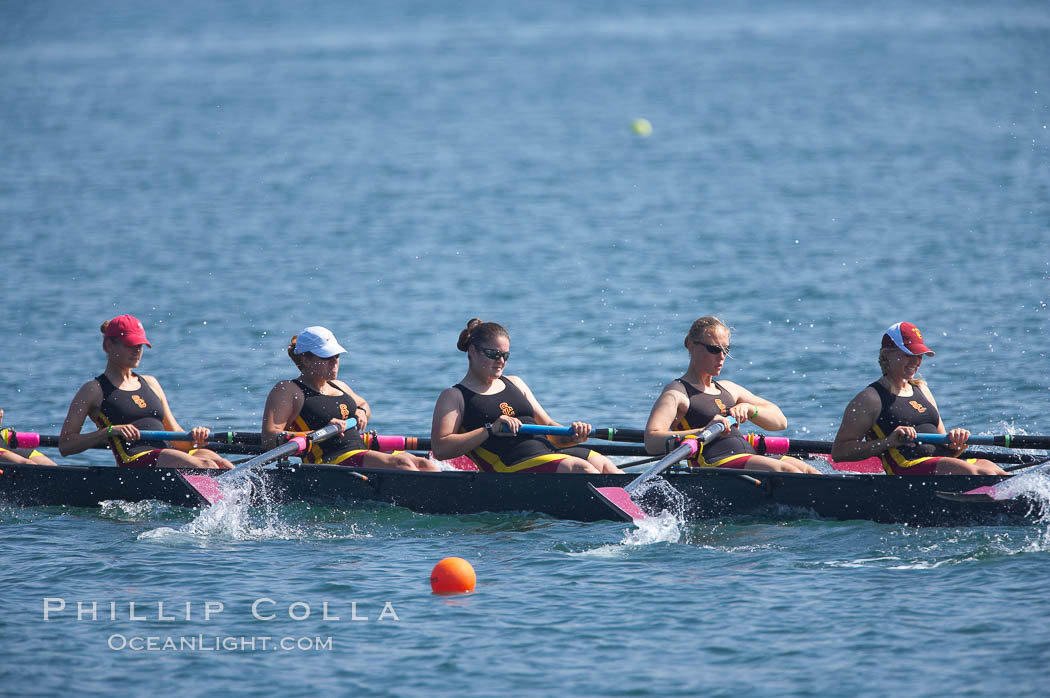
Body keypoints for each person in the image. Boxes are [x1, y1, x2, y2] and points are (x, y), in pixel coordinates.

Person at [431, 319, 623, 474]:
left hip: (551, 453)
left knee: (605, 466)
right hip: (510, 465)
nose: (500, 361)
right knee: (581, 469)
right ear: (472, 351)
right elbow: (440, 450)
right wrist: (489, 429)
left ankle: (641, 513)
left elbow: (549, 429)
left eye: (505, 356)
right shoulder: (454, 396)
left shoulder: (516, 382)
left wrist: (575, 435)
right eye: (493, 354)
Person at [644, 316, 819, 473]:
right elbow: (651, 440)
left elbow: (780, 422)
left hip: (749, 456)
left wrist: (750, 410)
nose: (721, 357)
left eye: (726, 350)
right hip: (715, 465)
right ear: (691, 346)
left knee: (809, 471)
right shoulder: (677, 392)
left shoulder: (730, 388)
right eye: (714, 349)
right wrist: (704, 431)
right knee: (788, 470)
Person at [831, 322, 1006, 475]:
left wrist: (958, 443)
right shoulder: (870, 399)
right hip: (906, 468)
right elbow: (839, 452)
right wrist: (888, 442)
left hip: (942, 464)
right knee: (970, 471)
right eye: (909, 355)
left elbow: (949, 450)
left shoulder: (922, 389)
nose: (916, 361)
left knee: (992, 469)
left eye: (919, 356)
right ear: (887, 355)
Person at [59, 315, 233, 469]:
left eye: (140, 345)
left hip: (168, 456)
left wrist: (196, 438)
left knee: (220, 463)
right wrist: (108, 432)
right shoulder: (93, 390)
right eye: (130, 345)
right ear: (108, 345)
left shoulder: (151, 383)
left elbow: (177, 440)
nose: (137, 351)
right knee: (206, 465)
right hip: (135, 461)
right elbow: (66, 446)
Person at [261, 326, 439, 471]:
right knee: (404, 465)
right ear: (306, 359)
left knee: (425, 464)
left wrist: (361, 412)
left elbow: (363, 405)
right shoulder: (289, 390)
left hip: (361, 452)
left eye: (336, 356)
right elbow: (270, 438)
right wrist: (322, 432)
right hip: (329, 463)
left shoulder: (339, 385)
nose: (334, 362)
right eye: (326, 357)